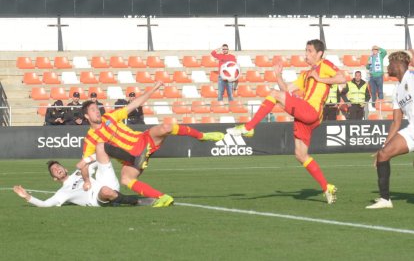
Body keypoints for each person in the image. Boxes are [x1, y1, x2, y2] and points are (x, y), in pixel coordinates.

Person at [227, 39, 346, 204]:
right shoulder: (305, 74)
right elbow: (286, 90)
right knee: (300, 155)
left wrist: (319, 78)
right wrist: (278, 75)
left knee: (274, 95)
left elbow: (342, 78)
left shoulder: (324, 65)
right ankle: (327, 187)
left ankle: (249, 127)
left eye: (310, 51)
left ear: (319, 54)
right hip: (305, 117)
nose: (306, 53)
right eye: (306, 50)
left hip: (311, 111)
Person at [76, 81, 224, 207]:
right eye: (93, 110)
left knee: (166, 127)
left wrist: (154, 88)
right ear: (86, 116)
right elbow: (84, 164)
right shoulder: (90, 139)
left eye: (97, 109)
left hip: (143, 140)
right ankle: (162, 198)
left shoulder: (110, 117)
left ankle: (202, 136)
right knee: (126, 179)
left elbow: (134, 104)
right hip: (132, 158)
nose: (97, 112)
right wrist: (87, 180)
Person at [367, 50, 414, 209]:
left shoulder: (412, 78)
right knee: (383, 155)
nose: (387, 67)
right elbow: (396, 122)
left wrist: (410, 54)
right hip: (411, 130)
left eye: (389, 63)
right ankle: (385, 200)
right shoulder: (397, 90)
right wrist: (384, 146)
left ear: (398, 64)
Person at [13, 160, 154, 207]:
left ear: (65, 168)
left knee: (102, 154)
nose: (57, 169)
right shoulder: (63, 193)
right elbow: (45, 204)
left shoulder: (79, 172)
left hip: (107, 183)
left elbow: (95, 162)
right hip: (96, 198)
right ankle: (138, 201)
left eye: (58, 166)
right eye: (54, 170)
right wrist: (27, 197)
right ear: (54, 178)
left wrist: (86, 162)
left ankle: (131, 163)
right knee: (106, 191)